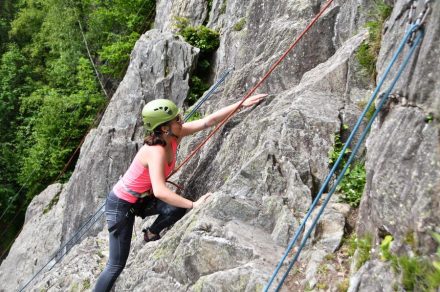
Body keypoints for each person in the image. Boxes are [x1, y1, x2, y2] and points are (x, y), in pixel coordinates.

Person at [94, 93, 267, 291]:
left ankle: (151, 233)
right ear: (164, 127)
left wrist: (241, 103)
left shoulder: (174, 135)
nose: (181, 120)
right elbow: (160, 190)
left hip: (142, 198)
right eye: (177, 119)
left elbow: (207, 121)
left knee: (176, 208)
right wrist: (194, 205)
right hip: (121, 204)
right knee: (116, 265)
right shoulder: (155, 151)